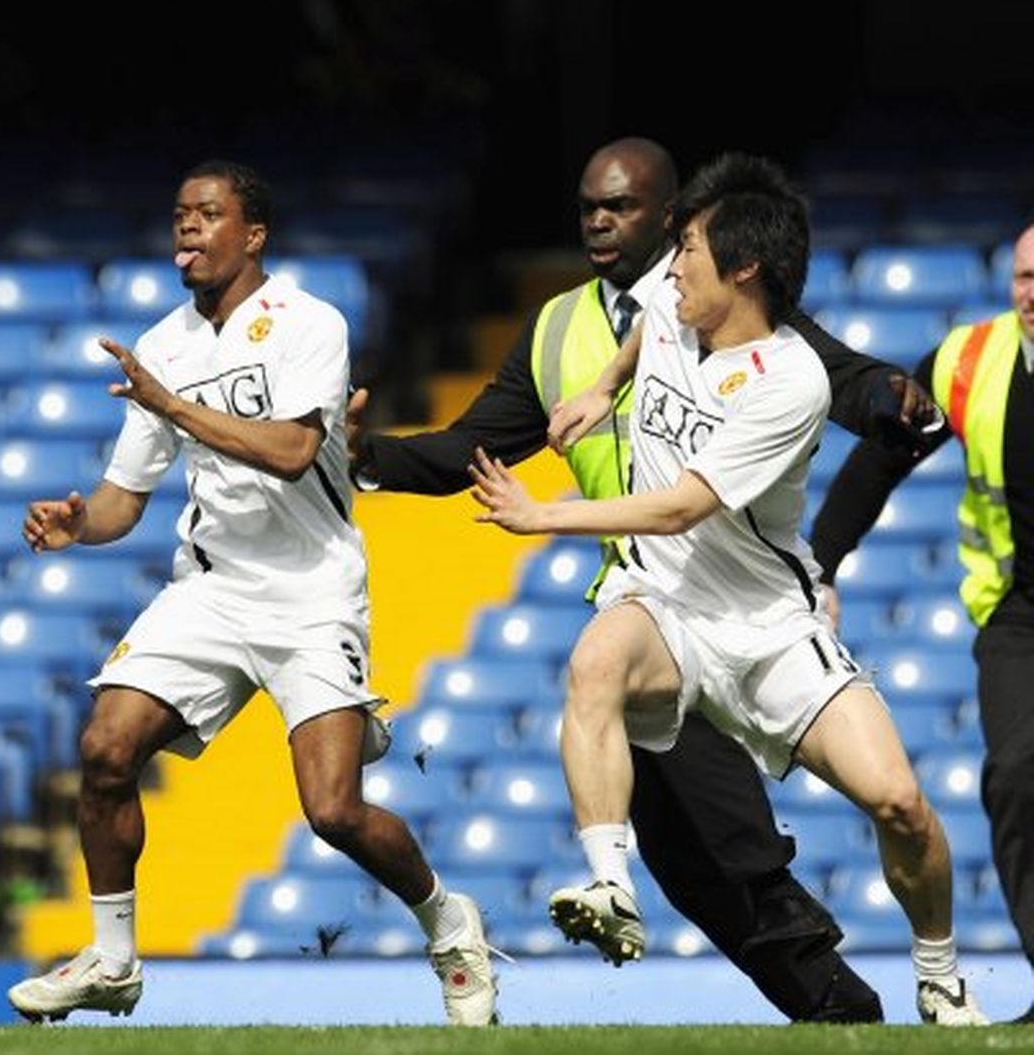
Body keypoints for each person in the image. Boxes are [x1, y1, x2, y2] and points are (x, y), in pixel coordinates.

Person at [347, 136, 935, 1021]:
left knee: (727, 831)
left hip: (739, 603)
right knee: (683, 858)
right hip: (643, 597)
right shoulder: (559, 329)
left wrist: (895, 400)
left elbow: (834, 371)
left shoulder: (729, 305)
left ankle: (834, 979)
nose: (596, 220)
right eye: (586, 204)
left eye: (619, 206)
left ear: (671, 220)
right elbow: (472, 443)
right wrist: (370, 456)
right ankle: (835, 1009)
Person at [5, 160, 498, 1027]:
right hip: (213, 585)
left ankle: (446, 919)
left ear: (254, 235)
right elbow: (125, 500)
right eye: (178, 216)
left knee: (334, 810)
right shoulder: (162, 345)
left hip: (312, 591)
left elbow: (294, 450)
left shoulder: (309, 323)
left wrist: (176, 407)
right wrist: (78, 523)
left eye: (207, 213)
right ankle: (113, 959)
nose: (186, 229)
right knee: (106, 746)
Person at [810, 221, 1034, 1022]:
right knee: (1016, 775)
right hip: (1019, 614)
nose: (1031, 295)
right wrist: (821, 564)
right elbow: (880, 458)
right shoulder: (971, 358)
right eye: (1022, 277)